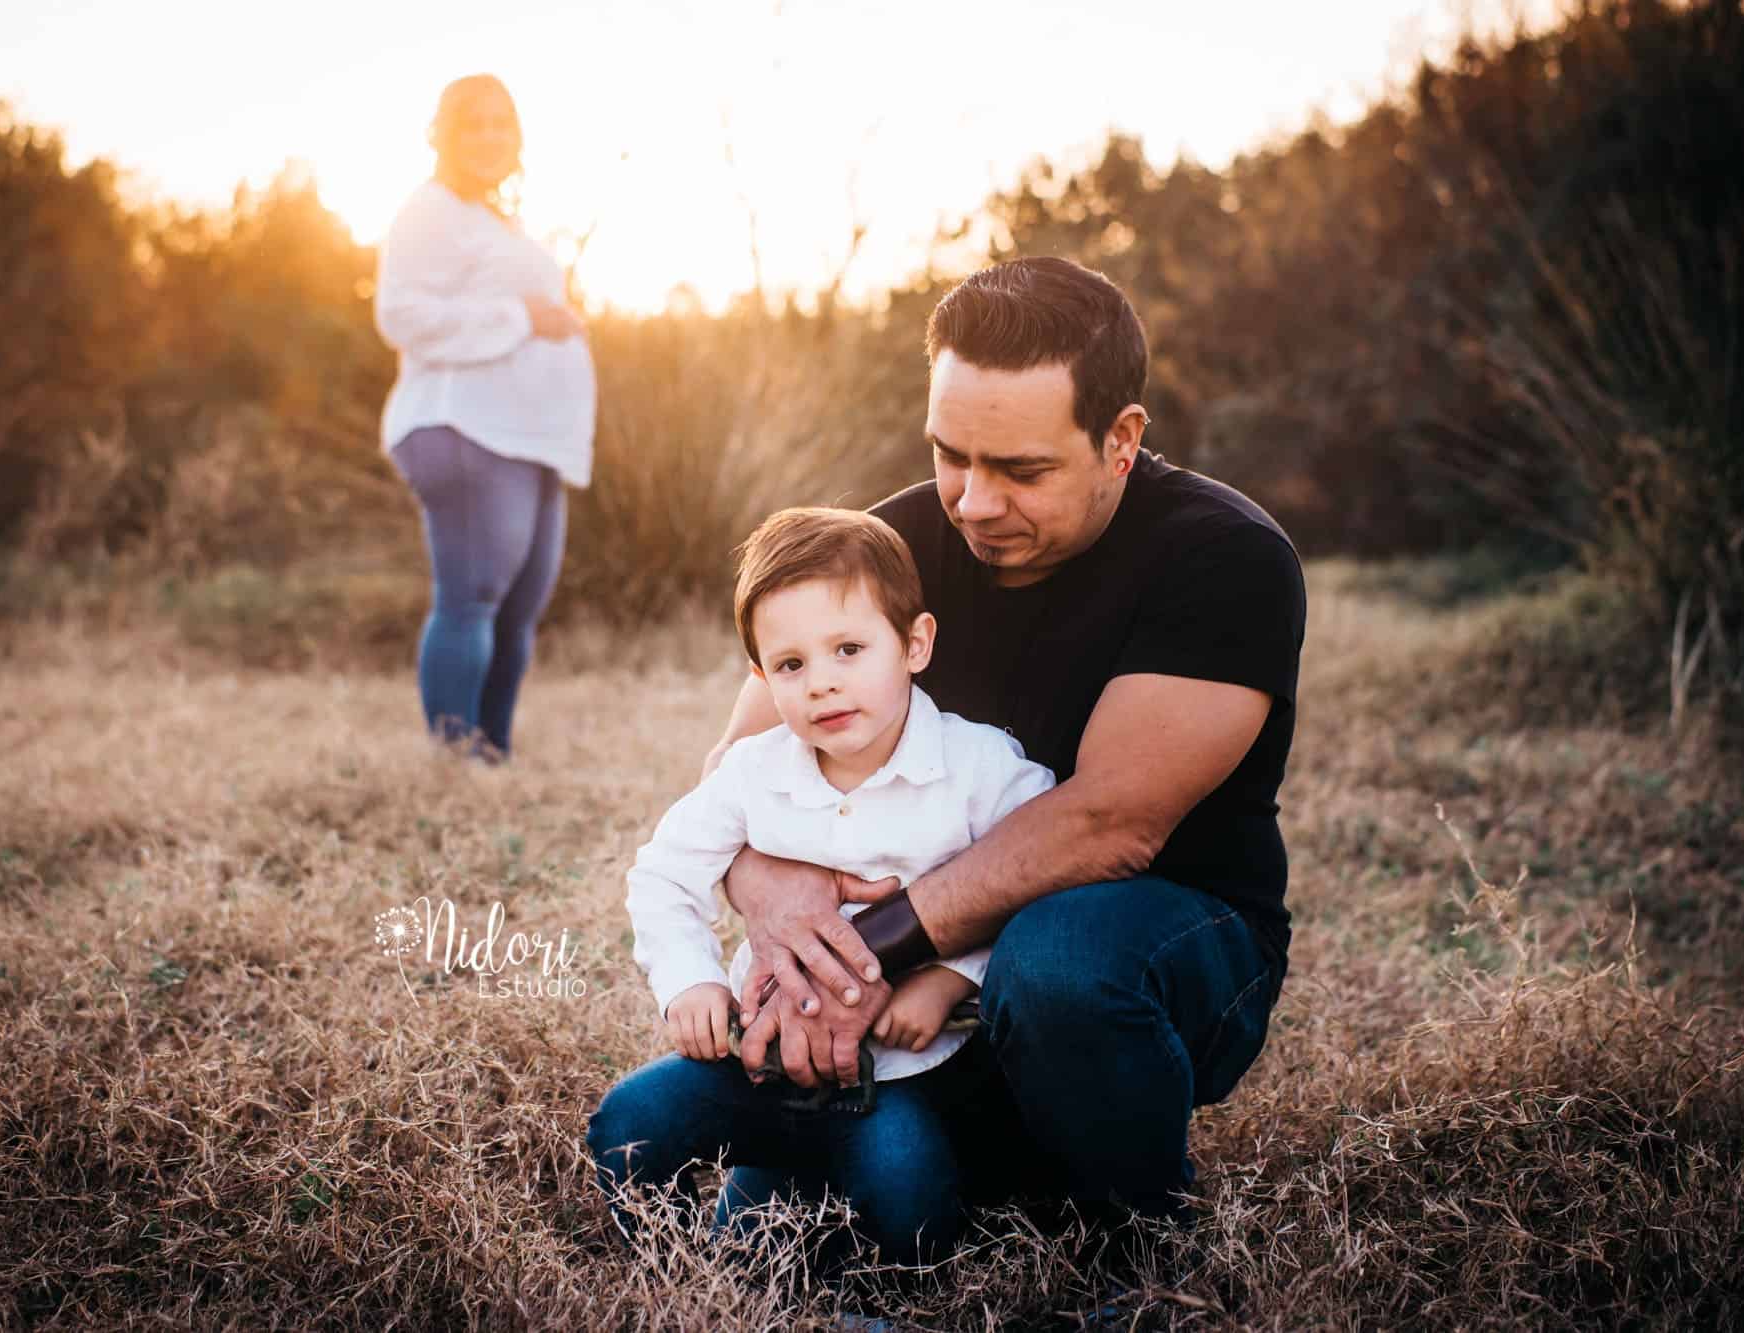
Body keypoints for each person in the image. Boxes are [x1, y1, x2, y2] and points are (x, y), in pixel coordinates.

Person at [709, 257, 1307, 1234]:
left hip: (1161, 944)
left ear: (1119, 441)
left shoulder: (1226, 558)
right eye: (951, 454)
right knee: (777, 1225)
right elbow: (737, 773)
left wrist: (865, 949)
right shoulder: (885, 548)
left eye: (1020, 470)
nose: (973, 502)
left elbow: (1108, 826)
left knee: (1057, 964)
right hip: (913, 970)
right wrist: (788, 919)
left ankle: (1139, 1248)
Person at [586, 507, 1056, 1267]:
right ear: (763, 678)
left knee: (913, 1207)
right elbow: (663, 873)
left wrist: (947, 978)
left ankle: (824, 1248)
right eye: (792, 665)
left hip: (897, 1080)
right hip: (757, 1062)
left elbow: (1042, 882)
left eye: (848, 648)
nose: (823, 683)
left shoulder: (980, 770)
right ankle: (685, 1270)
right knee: (628, 1124)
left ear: (914, 643)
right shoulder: (752, 774)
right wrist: (691, 982)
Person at [373, 73, 593, 759]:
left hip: (531, 437)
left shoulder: (497, 218)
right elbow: (400, 316)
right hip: (465, 427)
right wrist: (524, 315)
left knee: (520, 604)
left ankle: (490, 752)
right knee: (474, 595)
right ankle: (453, 759)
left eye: (503, 123)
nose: (491, 137)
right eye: (474, 123)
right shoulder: (428, 209)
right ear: (442, 133)